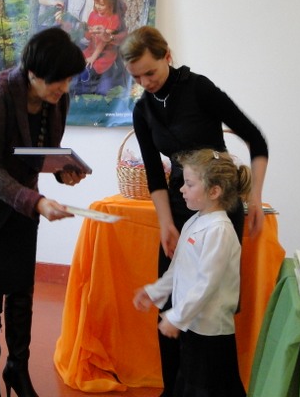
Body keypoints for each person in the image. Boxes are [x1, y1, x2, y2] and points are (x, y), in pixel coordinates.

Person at [120, 26, 269, 397]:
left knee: (209, 299)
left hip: (219, 201)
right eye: (136, 77)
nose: (145, 83)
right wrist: (166, 223)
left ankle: (213, 386)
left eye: (150, 72)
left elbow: (255, 138)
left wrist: (255, 199)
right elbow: (154, 174)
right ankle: (174, 389)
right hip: (180, 202)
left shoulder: (199, 89)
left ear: (167, 56)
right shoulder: (142, 110)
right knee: (171, 300)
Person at [0, 28, 87, 397]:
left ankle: (16, 368)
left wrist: (62, 170)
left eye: (69, 80)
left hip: (21, 197)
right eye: (58, 80)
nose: (64, 88)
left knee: (22, 290)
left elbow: (41, 151)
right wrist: (36, 202)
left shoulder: (57, 99)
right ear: (33, 73)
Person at [133, 149, 250, 397]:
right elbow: (178, 270)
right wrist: (154, 291)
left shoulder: (219, 231)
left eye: (189, 184)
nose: (181, 189)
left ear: (214, 191)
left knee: (211, 388)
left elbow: (206, 284)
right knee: (188, 382)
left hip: (211, 331)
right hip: (193, 325)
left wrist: (177, 317)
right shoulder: (194, 221)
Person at [63, 0, 128, 96]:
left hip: (104, 54)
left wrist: (109, 37)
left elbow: (124, 35)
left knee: (105, 92)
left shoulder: (113, 1)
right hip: (79, 47)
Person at [79, 0, 121, 94]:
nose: (98, 6)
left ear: (111, 5)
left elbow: (103, 41)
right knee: (79, 66)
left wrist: (93, 57)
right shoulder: (93, 14)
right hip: (91, 49)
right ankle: (85, 87)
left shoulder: (113, 18)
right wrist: (86, 30)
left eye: (101, 4)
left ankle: (94, 86)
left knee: (91, 69)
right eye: (96, 3)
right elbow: (88, 36)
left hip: (105, 54)